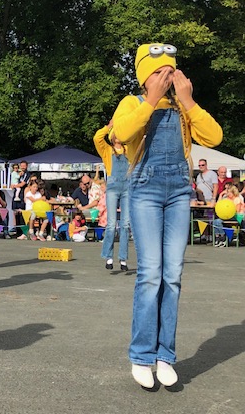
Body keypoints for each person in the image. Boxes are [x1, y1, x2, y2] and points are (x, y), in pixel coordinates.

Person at [112, 43, 222, 389]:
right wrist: (149, 100)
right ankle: (142, 355)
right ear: (144, 75)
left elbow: (215, 136)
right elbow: (123, 132)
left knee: (172, 275)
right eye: (158, 71)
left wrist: (188, 100)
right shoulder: (132, 103)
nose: (165, 77)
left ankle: (164, 355)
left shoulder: (181, 108)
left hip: (178, 191)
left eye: (170, 71)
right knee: (150, 273)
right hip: (143, 189)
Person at [94, 120, 131, 271]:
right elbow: (97, 138)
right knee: (111, 224)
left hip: (127, 188)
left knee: (126, 225)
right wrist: (109, 126)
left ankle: (123, 259)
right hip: (113, 188)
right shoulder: (107, 151)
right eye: (116, 133)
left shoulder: (129, 149)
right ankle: (108, 257)